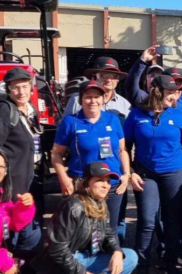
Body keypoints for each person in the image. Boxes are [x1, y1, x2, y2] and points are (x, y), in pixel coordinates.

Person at [124, 75, 182, 274]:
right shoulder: (136, 115)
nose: (175, 95)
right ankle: (142, 267)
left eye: (176, 92)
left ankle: (170, 263)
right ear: (157, 91)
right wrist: (131, 172)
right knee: (147, 221)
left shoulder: (179, 114)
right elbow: (125, 147)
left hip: (175, 172)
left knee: (172, 220)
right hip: (146, 173)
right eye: (170, 92)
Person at [32, 162, 137, 274]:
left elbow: (108, 233)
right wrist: (82, 273)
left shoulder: (99, 202)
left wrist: (117, 251)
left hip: (84, 258)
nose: (106, 185)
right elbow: (57, 248)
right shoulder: (73, 205)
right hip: (58, 270)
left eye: (108, 181)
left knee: (130, 257)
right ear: (87, 183)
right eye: (100, 181)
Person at [52, 80, 131, 244]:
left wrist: (126, 174)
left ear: (103, 99)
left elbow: (122, 150)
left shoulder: (113, 119)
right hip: (83, 185)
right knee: (84, 230)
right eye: (88, 97)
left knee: (110, 229)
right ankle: (83, 267)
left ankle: (109, 265)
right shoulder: (70, 122)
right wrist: (64, 178)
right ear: (80, 99)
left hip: (112, 184)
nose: (93, 101)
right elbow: (56, 154)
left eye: (97, 97)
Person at [0, 67, 44, 263]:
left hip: (30, 176)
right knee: (12, 226)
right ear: (8, 90)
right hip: (11, 182)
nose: (21, 92)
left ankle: (21, 266)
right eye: (15, 88)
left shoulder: (29, 110)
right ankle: (7, 265)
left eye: (25, 87)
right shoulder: (4, 110)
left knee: (30, 224)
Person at [65, 56, 131, 123]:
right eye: (103, 76)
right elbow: (65, 127)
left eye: (113, 76)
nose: (108, 80)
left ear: (117, 80)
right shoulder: (76, 100)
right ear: (94, 77)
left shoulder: (125, 104)